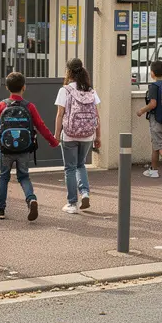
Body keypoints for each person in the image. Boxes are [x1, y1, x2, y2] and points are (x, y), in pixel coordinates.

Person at [0, 72, 59, 221]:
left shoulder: (1, 105)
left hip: (5, 149)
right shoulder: (29, 106)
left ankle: (0, 209)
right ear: (24, 87)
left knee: (3, 177)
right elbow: (41, 126)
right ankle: (31, 198)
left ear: (7, 87)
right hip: (24, 148)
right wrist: (52, 141)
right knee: (24, 176)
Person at [54, 58, 101, 214]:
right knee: (81, 165)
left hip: (69, 134)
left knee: (70, 168)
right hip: (88, 134)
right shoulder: (90, 91)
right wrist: (98, 137)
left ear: (68, 72)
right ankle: (85, 193)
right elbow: (96, 115)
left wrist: (56, 135)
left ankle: (72, 203)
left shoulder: (65, 90)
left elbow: (60, 115)